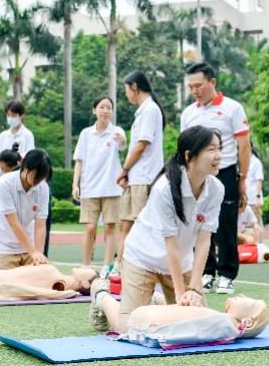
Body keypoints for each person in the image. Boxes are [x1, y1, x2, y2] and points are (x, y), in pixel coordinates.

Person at [89, 125, 225, 334]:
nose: (219, 156)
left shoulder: (216, 188)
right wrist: (181, 296)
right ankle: (101, 296)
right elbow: (170, 246)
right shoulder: (165, 188)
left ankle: (152, 300)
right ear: (189, 156)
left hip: (182, 263)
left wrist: (194, 288)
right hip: (143, 258)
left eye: (219, 148)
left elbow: (204, 240)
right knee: (130, 329)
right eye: (211, 150)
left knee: (199, 321)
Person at [181, 62, 251, 295]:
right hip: (197, 176)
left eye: (198, 85)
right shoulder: (188, 113)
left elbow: (244, 147)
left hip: (226, 173)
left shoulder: (232, 108)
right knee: (199, 223)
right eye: (191, 87)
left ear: (212, 82)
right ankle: (206, 272)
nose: (195, 91)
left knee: (226, 224)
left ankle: (227, 274)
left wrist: (242, 179)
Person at [92, 285, 268, 350]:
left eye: (250, 302)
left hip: (149, 327)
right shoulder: (220, 321)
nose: (244, 295)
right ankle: (153, 297)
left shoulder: (227, 326)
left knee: (121, 322)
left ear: (248, 322)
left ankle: (101, 295)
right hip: (151, 323)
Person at [113, 71, 166, 277]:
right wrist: (128, 172)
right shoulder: (143, 111)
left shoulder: (150, 110)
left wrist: (124, 169)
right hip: (136, 178)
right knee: (126, 224)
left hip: (145, 178)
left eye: (126, 90)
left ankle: (142, 269)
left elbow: (141, 145)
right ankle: (120, 265)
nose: (126, 95)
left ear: (134, 87)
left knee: (142, 227)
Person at [73, 96, 126, 278]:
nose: (105, 111)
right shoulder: (86, 134)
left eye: (109, 108)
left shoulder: (116, 131)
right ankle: (85, 266)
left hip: (112, 188)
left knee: (110, 227)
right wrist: (75, 184)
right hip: (89, 188)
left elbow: (122, 144)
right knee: (89, 227)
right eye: (102, 107)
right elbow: (79, 161)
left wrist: (122, 140)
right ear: (94, 110)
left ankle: (106, 266)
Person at [0, 149, 51, 270]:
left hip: (28, 246)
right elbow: (13, 223)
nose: (38, 181)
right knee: (11, 285)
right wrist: (33, 252)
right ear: (25, 168)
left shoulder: (43, 187)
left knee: (40, 280)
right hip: (3, 246)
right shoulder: (4, 184)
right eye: (36, 176)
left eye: (42, 177)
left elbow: (40, 225)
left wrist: (38, 255)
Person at [247, 143, 265, 235]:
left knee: (257, 222)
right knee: (247, 224)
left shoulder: (256, 162)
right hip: (244, 198)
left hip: (253, 198)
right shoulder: (242, 161)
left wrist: (257, 197)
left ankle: (259, 245)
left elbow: (259, 180)